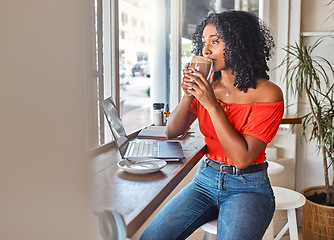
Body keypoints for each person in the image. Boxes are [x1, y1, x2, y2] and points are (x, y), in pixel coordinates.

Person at [140, 10, 284, 240]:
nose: (205, 50)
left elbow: (242, 158)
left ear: (239, 43)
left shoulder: (268, 93)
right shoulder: (209, 87)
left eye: (215, 42)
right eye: (203, 42)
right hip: (205, 179)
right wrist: (189, 94)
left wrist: (211, 105)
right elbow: (172, 131)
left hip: (248, 187)